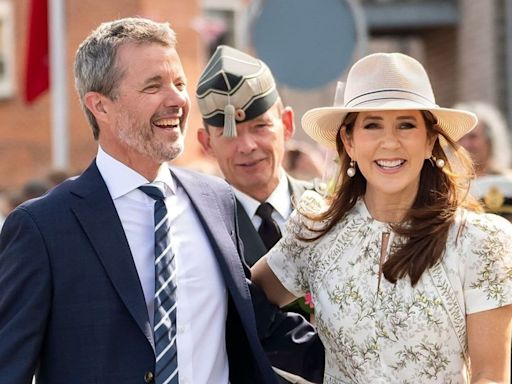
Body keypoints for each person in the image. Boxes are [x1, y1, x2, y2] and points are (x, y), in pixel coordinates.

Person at [0, 18, 322, 384]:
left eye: (180, 84)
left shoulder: (216, 201)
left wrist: (378, 357)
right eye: (154, 86)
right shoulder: (42, 229)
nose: (178, 101)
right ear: (100, 106)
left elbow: (257, 325)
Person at [252, 52, 512, 383]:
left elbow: (491, 375)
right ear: (349, 140)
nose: (389, 142)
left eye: (406, 124)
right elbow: (244, 304)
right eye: (372, 125)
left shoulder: (479, 241)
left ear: (430, 139)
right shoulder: (315, 231)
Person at [195, 45, 322, 383]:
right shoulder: (198, 231)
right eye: (228, 133)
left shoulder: (335, 211)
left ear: (287, 124)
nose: (248, 145)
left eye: (260, 126)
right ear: (205, 143)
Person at [455, 101, 512, 177]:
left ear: (490, 142)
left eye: (473, 137)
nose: (465, 144)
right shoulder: (451, 184)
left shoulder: (506, 181)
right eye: (460, 138)